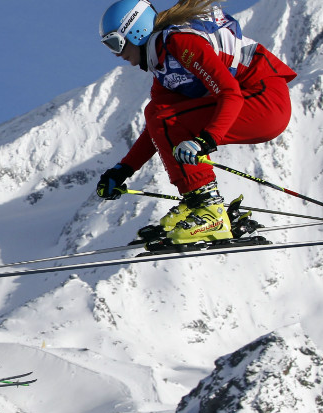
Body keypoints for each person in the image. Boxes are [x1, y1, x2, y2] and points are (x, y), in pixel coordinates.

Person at [95, 0, 296, 243]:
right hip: (255, 103)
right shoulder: (164, 67)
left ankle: (209, 208)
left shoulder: (180, 43)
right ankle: (198, 203)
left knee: (163, 115)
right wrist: (123, 170)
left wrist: (207, 139)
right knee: (156, 111)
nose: (116, 54)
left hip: (265, 101)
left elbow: (229, 93)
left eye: (115, 42)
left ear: (136, 31)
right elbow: (157, 127)